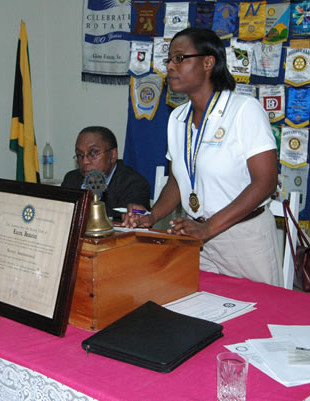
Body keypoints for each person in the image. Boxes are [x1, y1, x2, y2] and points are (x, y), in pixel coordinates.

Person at [124, 28, 282, 286]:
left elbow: (265, 182)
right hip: (195, 236)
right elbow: (177, 182)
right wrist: (151, 216)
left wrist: (209, 228)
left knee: (257, 317)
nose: (170, 67)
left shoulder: (243, 110)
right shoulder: (177, 118)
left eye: (179, 58)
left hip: (244, 237)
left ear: (208, 62)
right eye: (168, 60)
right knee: (202, 316)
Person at [62, 126, 151, 220]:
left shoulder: (134, 184)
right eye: (80, 155)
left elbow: (133, 216)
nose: (85, 162)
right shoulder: (71, 179)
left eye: (93, 153)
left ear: (113, 155)